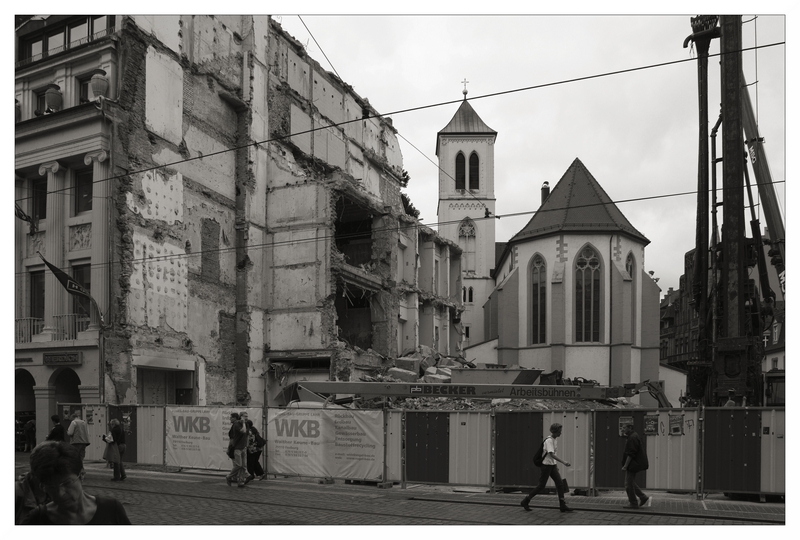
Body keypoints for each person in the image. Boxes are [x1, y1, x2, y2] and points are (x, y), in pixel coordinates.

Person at [20, 441, 131, 525]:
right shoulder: (37, 520)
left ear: (82, 475)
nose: (60, 493)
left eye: (67, 483)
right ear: (42, 486)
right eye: (52, 487)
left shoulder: (111, 510)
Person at [520, 423, 573, 513]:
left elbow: (552, 456)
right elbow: (551, 454)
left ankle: (562, 505)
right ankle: (525, 501)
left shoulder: (554, 439)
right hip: (546, 466)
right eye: (559, 432)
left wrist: (555, 465)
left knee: (560, 484)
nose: (561, 433)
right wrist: (564, 462)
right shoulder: (549, 441)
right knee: (541, 486)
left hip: (552, 466)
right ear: (555, 432)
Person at [621, 423, 650, 509]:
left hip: (633, 464)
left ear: (630, 428)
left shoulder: (632, 437)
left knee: (628, 485)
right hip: (635, 463)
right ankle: (643, 497)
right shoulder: (633, 436)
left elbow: (631, 453)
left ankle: (633, 503)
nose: (622, 429)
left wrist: (625, 466)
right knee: (630, 483)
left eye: (624, 428)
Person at [225, 412, 248, 488]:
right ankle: (229, 476)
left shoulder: (244, 424)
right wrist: (243, 423)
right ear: (240, 417)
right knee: (239, 465)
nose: (246, 418)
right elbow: (243, 431)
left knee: (244, 466)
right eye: (245, 416)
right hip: (237, 448)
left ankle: (241, 481)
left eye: (247, 416)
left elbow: (247, 434)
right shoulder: (236, 424)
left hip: (243, 447)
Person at [244, 419, 266, 483]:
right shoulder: (254, 429)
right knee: (255, 462)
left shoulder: (249, 431)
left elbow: (249, 441)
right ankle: (261, 474)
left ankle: (251, 475)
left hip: (252, 449)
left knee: (250, 463)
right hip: (258, 449)